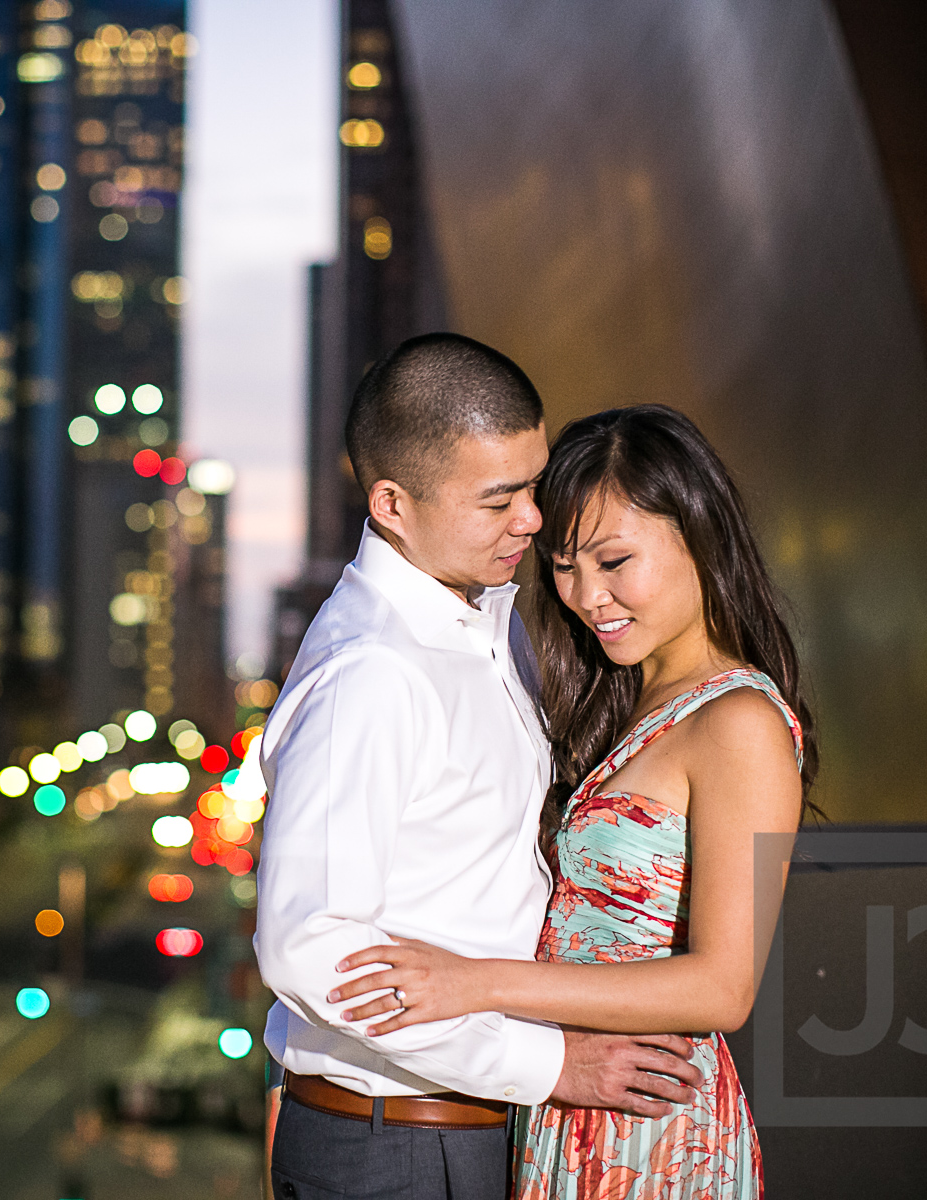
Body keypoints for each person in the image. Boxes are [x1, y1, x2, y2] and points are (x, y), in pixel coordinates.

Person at [329, 404, 820, 1199]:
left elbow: (723, 988)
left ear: (698, 532)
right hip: (571, 1102)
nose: (588, 596)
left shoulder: (740, 722)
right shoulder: (626, 700)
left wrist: (475, 981)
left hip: (652, 1129)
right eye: (562, 565)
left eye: (614, 560)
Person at [255, 340, 706, 1200]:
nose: (534, 521)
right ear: (392, 503)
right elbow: (309, 948)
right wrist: (550, 1063)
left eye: (533, 486)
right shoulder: (374, 673)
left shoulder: (489, 618)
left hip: (476, 1136)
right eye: (499, 499)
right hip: (394, 1147)